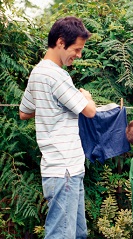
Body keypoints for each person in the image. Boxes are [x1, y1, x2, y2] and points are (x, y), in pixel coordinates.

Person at [19, 16, 96, 239]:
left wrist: (50, 104)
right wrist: (86, 96)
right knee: (61, 235)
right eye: (77, 49)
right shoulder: (57, 75)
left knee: (78, 234)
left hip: (66, 169)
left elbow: (24, 112)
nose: (79, 55)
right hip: (65, 171)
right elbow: (89, 111)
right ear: (61, 42)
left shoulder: (37, 73)